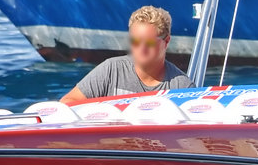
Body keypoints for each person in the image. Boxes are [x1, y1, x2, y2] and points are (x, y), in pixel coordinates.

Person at [60, 6, 195, 104]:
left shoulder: (182, 87)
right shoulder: (111, 69)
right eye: (135, 41)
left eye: (149, 42)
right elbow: (68, 101)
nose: (141, 48)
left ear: (166, 42)